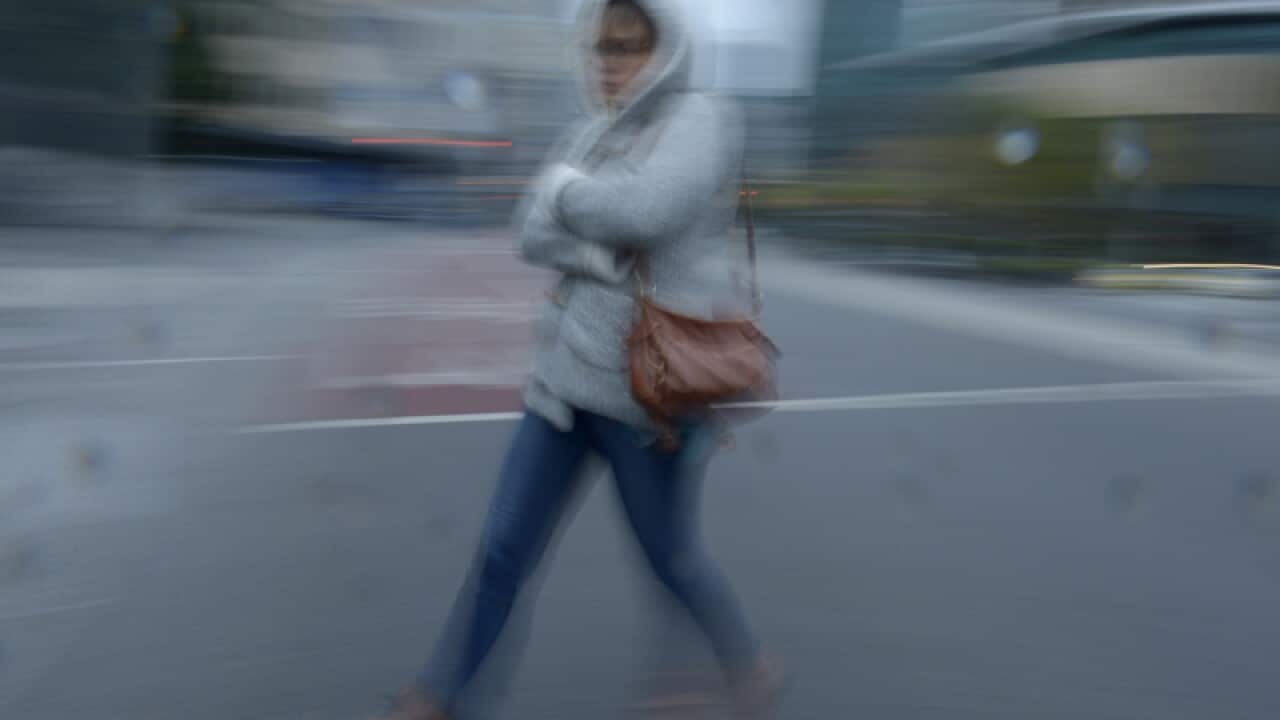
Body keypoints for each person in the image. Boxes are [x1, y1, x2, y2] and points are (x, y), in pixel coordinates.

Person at [375, 1, 781, 718]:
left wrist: (564, 191)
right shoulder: (589, 131)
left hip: (647, 397)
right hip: (561, 391)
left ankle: (744, 664)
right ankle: (441, 697)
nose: (611, 62)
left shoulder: (701, 118)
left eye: (628, 46)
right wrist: (595, 247)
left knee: (672, 558)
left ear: (666, 50)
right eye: (601, 48)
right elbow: (528, 230)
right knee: (502, 552)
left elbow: (650, 210)